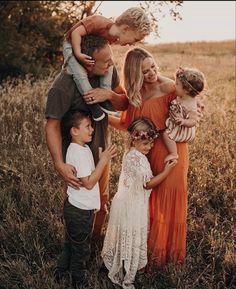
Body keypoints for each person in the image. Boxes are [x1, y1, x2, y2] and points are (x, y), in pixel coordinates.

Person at [108, 47, 203, 267]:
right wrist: (103, 118)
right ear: (135, 73)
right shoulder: (135, 94)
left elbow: (191, 103)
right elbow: (127, 125)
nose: (152, 72)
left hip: (174, 153)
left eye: (153, 66)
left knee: (169, 198)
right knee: (149, 202)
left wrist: (196, 110)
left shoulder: (170, 87)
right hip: (147, 153)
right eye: (145, 70)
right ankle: (148, 254)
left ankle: (167, 256)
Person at [45, 34, 128, 276]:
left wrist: (109, 96)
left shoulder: (108, 73)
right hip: (77, 160)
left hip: (101, 150)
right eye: (105, 61)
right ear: (88, 61)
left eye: (111, 59)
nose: (111, 64)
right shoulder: (62, 86)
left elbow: (123, 103)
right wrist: (59, 164)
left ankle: (89, 247)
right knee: (79, 206)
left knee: (101, 203)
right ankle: (75, 250)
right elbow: (51, 126)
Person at [101, 117, 176, 289]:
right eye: (146, 144)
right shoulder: (137, 159)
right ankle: (127, 273)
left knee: (125, 236)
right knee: (131, 237)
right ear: (134, 139)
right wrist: (167, 171)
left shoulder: (132, 153)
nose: (149, 148)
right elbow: (148, 183)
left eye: (151, 144)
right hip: (131, 207)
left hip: (126, 202)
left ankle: (122, 264)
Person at [55, 110, 116, 288]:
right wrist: (103, 160)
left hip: (76, 207)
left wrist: (98, 156)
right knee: (81, 249)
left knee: (71, 243)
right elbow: (88, 183)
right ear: (74, 131)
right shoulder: (79, 152)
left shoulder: (81, 148)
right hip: (80, 211)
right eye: (87, 127)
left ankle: (60, 273)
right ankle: (78, 280)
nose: (91, 130)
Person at [63, 7, 151, 121]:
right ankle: (93, 106)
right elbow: (76, 33)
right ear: (125, 29)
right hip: (71, 43)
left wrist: (110, 94)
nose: (133, 44)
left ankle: (105, 98)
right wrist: (78, 53)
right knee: (80, 74)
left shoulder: (112, 37)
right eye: (135, 39)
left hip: (86, 46)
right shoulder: (98, 22)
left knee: (110, 67)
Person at [163, 66, 205, 163]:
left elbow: (193, 121)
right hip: (177, 123)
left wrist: (184, 121)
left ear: (186, 90)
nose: (174, 85)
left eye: (177, 84)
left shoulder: (190, 105)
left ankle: (173, 153)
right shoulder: (183, 96)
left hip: (182, 129)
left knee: (166, 135)